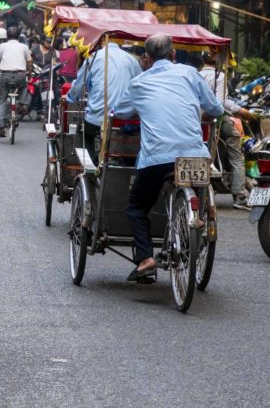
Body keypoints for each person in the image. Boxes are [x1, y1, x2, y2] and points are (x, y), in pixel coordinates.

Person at [113, 34, 223, 281]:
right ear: (173, 55)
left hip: (156, 158)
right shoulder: (190, 74)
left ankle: (146, 258)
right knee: (200, 190)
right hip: (195, 156)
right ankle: (199, 218)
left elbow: (119, 111)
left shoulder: (140, 83)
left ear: (147, 59)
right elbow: (216, 109)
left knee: (137, 207)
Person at [67, 41, 141, 163]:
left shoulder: (94, 58)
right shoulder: (131, 60)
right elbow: (139, 84)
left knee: (82, 133)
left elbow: (78, 86)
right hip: (124, 119)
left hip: (97, 120)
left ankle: (89, 168)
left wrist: (70, 97)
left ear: (101, 43)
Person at [199, 53, 256, 209]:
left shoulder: (197, 75)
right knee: (237, 155)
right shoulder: (219, 76)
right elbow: (221, 103)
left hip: (197, 119)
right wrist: (241, 111)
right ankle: (240, 196)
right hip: (215, 119)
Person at [0, 27, 33, 138]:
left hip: (5, 76)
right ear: (18, 35)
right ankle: (22, 104)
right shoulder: (24, 47)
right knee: (24, 87)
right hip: (20, 75)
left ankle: (1, 128)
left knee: (1, 101)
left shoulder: (2, 46)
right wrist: (29, 73)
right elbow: (29, 61)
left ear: (7, 36)